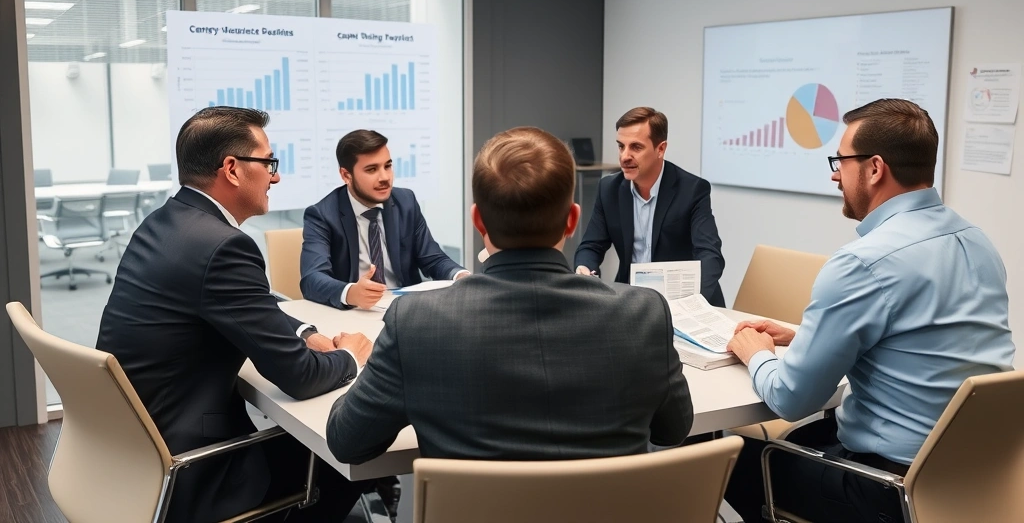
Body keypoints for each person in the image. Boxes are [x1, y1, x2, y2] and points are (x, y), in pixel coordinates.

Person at [326, 126, 693, 464]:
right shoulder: (644, 314)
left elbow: (347, 442)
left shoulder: (415, 324)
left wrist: (360, 362)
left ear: (478, 221)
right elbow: (673, 430)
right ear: (572, 220)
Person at [724, 99, 1016, 523]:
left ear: (875, 168)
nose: (834, 173)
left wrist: (755, 352)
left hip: (886, 489)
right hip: (974, 476)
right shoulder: (977, 241)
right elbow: (922, 338)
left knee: (725, 452)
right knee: (809, 435)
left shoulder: (863, 263)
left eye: (841, 161)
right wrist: (801, 335)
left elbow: (791, 397)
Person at [96, 107, 373, 523]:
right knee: (355, 446)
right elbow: (298, 377)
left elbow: (250, 303)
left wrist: (305, 330)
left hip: (139, 450)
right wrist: (350, 356)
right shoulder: (224, 246)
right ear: (232, 169)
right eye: (268, 163)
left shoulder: (166, 222)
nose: (275, 177)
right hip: (194, 468)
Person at [574, 107, 726, 306]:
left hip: (683, 301)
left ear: (660, 149)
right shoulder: (609, 189)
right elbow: (591, 246)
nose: (624, 156)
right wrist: (584, 269)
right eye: (621, 146)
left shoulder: (692, 190)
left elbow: (710, 255)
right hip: (633, 301)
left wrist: (692, 303)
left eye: (636, 147)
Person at [300, 129, 468, 310]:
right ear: (346, 175)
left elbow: (433, 259)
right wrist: (351, 293)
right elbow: (312, 278)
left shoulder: (405, 202)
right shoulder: (322, 215)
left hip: (405, 309)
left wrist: (461, 276)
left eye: (387, 166)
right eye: (372, 169)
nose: (385, 177)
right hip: (354, 313)